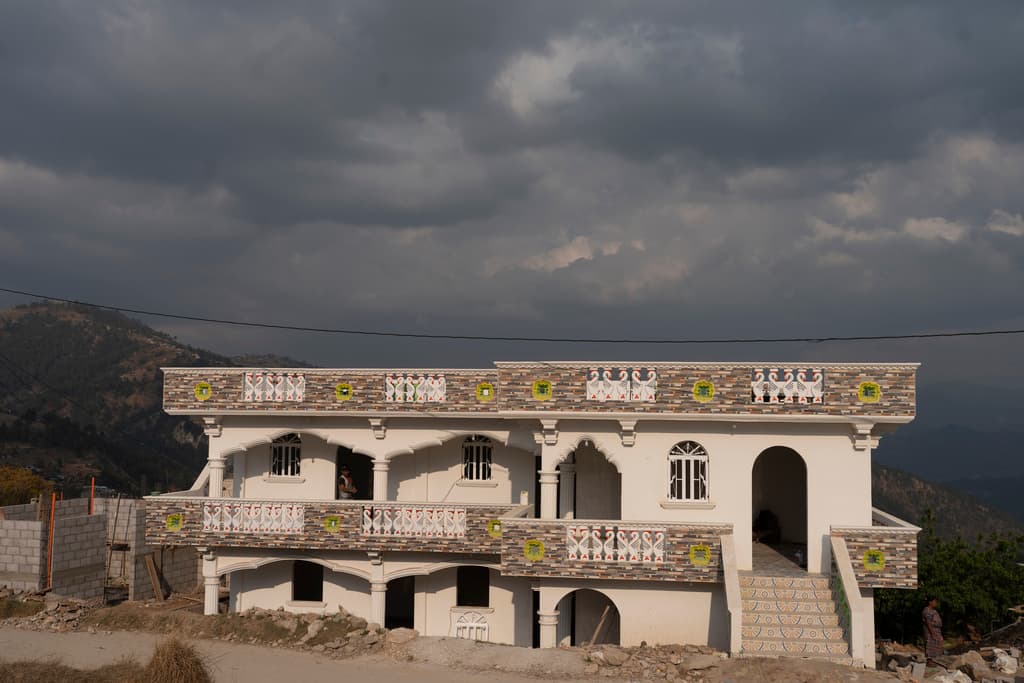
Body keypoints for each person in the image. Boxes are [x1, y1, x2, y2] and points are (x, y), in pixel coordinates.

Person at [922, 596, 944, 661]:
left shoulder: (934, 611)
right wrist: (932, 634)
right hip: (930, 633)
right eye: (934, 601)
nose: (936, 603)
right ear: (930, 602)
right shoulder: (927, 611)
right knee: (930, 650)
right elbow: (928, 623)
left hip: (937, 632)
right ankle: (929, 662)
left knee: (936, 650)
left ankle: (933, 662)